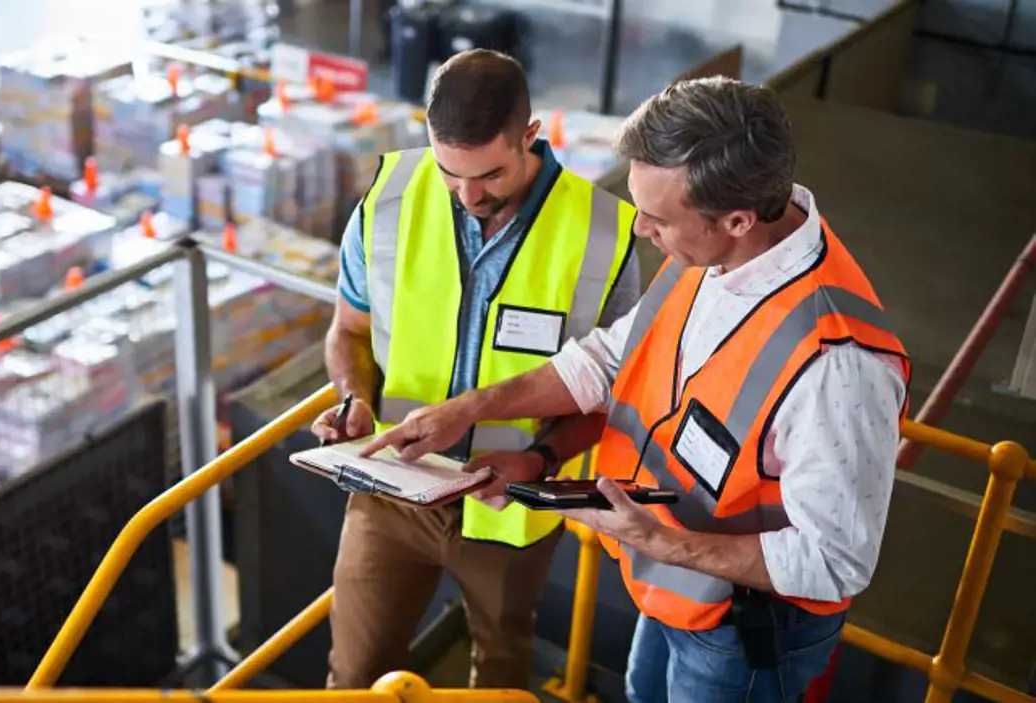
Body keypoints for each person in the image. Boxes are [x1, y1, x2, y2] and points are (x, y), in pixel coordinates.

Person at [362, 76, 910, 702]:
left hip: (741, 634)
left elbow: (835, 560)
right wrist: (473, 409)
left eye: (657, 217)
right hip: (672, 587)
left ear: (735, 219)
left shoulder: (839, 366)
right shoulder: (714, 257)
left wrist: (661, 540)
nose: (641, 228)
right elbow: (609, 358)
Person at [312, 49, 640, 689]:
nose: (466, 196)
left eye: (488, 175)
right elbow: (349, 330)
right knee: (352, 678)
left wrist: (541, 462)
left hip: (510, 505)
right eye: (448, 173)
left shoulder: (606, 235)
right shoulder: (387, 200)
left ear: (530, 136)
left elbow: (612, 394)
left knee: (499, 681)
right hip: (390, 492)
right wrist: (354, 397)